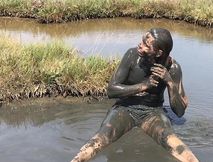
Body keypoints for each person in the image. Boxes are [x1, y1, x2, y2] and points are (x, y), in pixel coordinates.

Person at [71, 28, 199, 162]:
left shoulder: (173, 68)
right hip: (125, 108)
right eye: (142, 40)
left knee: (176, 145)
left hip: (153, 112)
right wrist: (143, 86)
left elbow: (179, 111)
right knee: (100, 139)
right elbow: (111, 90)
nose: (140, 45)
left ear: (158, 53)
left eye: (146, 45)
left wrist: (169, 82)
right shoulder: (132, 55)